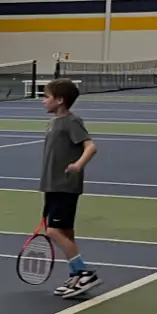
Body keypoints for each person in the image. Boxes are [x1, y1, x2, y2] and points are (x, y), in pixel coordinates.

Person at [40, 78, 101, 297]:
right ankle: (75, 276)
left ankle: (84, 272)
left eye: (46, 97)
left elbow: (90, 146)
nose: (42, 100)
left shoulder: (71, 121)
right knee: (66, 232)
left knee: (53, 231)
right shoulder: (54, 122)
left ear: (60, 100)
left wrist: (78, 165)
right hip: (52, 185)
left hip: (64, 185)